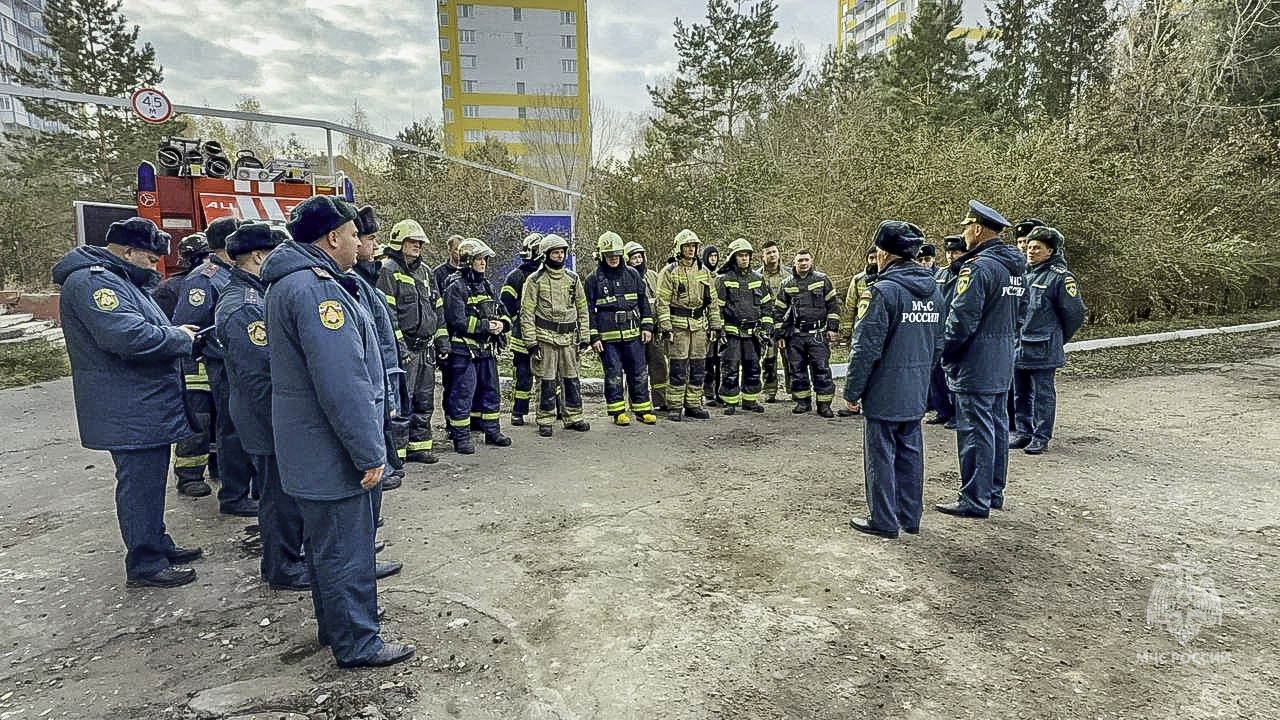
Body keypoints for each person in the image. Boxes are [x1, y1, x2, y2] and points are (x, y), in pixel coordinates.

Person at [261, 195, 414, 668]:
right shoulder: (317, 290)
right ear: (332, 238)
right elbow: (342, 382)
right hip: (331, 450)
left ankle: (338, 628)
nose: (356, 242)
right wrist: (370, 453)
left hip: (312, 446)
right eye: (352, 234)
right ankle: (359, 643)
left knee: (328, 548)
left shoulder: (298, 283)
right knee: (347, 550)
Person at [52, 217, 203, 588]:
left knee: (150, 482)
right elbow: (128, 337)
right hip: (129, 407)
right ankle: (145, 562)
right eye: (151, 260)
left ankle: (156, 541)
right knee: (138, 484)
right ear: (129, 251)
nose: (156, 268)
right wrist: (178, 336)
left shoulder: (120, 279)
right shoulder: (94, 281)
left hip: (143, 403)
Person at [212, 222, 308, 589]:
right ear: (257, 256)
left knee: (281, 489)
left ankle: (288, 557)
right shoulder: (244, 307)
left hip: (266, 413)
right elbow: (260, 376)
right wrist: (285, 420)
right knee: (277, 493)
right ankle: (282, 566)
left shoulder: (256, 294)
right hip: (264, 415)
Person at [844, 221, 943, 539]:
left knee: (881, 455)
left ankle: (884, 519)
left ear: (883, 254)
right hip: (916, 387)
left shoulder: (883, 292)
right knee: (911, 452)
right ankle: (910, 516)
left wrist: (853, 390)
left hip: (885, 389)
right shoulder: (934, 291)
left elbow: (864, 349)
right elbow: (938, 343)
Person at [935, 200, 1026, 519]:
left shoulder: (978, 268)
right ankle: (992, 492)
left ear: (976, 229)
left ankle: (974, 497)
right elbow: (1022, 313)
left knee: (975, 429)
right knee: (997, 426)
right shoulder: (1016, 267)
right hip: (1001, 359)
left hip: (975, 362)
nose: (964, 233)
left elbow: (961, 320)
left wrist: (942, 352)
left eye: (965, 227)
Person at [173, 216, 257, 517]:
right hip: (218, 365)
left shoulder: (231, 276)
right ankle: (234, 494)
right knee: (230, 429)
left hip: (236, 362)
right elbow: (188, 327)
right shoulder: (205, 278)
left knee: (242, 427)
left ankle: (244, 487)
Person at [377, 219, 448, 465]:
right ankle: (398, 452)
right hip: (405, 348)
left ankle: (420, 446)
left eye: (420, 242)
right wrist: (401, 348)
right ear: (399, 242)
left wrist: (443, 342)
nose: (418, 245)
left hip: (426, 348)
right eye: (413, 241)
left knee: (425, 399)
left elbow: (437, 309)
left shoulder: (426, 272)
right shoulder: (388, 270)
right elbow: (388, 314)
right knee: (401, 401)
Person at [1011, 226, 1086, 455]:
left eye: (1037, 248)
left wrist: (1058, 338)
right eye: (1029, 247)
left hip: (1043, 346)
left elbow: (1075, 314)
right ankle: (1023, 431)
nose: (1031, 252)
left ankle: (1041, 437)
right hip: (1019, 344)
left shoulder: (1060, 278)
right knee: (1019, 392)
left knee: (1043, 394)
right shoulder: (1022, 273)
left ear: (1050, 251)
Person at [352, 205, 408, 491]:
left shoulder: (364, 280)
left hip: (381, 372)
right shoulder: (355, 283)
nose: (374, 245)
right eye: (369, 238)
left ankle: (384, 467)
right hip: (369, 379)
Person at [443, 238, 513, 453]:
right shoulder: (455, 286)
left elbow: (503, 312)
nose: (483, 263)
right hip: (463, 351)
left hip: (486, 350)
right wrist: (487, 326)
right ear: (467, 260)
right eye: (479, 259)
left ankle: (492, 431)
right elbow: (457, 320)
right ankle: (461, 437)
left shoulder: (487, 285)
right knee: (463, 393)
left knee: (491, 391)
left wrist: (502, 324)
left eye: (484, 259)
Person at [521, 234, 591, 437]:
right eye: (555, 252)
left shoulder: (573, 279)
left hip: (569, 339)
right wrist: (531, 343)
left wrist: (584, 337)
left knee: (572, 380)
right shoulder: (534, 280)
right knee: (546, 381)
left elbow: (583, 309)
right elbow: (526, 313)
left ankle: (574, 417)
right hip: (545, 338)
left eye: (562, 252)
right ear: (546, 255)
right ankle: (545, 418)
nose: (559, 256)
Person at [163, 232, 215, 497]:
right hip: (191, 363)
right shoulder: (171, 288)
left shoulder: (219, 279)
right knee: (198, 419)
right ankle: (189, 474)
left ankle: (218, 465)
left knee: (220, 419)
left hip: (215, 362)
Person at [586, 231, 656, 426]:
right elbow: (588, 310)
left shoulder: (633, 275)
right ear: (601, 256)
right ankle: (618, 412)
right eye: (609, 256)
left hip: (633, 334)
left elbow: (644, 303)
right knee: (614, 373)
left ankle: (643, 410)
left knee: (639, 372)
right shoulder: (593, 280)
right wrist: (594, 337)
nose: (613, 259)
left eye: (616, 255)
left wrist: (647, 326)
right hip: (608, 339)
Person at [655, 229, 722, 421]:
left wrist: (715, 326)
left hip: (699, 326)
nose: (691, 250)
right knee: (677, 368)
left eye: (694, 246)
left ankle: (693, 404)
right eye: (687, 246)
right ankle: (675, 406)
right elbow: (662, 302)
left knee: (698, 367)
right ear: (679, 248)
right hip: (678, 328)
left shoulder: (704, 272)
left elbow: (713, 302)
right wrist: (666, 327)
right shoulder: (669, 272)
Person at [774, 248, 841, 418]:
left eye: (806, 260)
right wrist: (780, 335)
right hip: (795, 336)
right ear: (794, 263)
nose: (803, 263)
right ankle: (802, 402)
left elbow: (833, 305)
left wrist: (832, 328)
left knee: (821, 368)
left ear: (811, 262)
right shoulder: (787, 284)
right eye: (800, 260)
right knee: (797, 369)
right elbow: (779, 311)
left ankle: (824, 404)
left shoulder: (822, 280)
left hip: (817, 334)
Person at [715, 238, 772, 415]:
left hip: (753, 332)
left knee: (753, 366)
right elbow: (718, 308)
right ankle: (730, 401)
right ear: (733, 258)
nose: (745, 259)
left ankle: (750, 400)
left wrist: (767, 327)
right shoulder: (723, 280)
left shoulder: (758, 278)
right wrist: (721, 329)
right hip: (732, 332)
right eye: (741, 255)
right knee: (730, 367)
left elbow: (766, 305)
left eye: (747, 255)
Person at [501, 233, 544, 426]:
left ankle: (553, 409)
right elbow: (506, 306)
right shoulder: (516, 276)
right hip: (521, 338)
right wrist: (514, 320)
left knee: (550, 376)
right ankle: (519, 411)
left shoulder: (549, 275)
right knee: (523, 377)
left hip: (545, 334)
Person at [925, 235, 967, 427]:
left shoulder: (968, 273)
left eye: (956, 252)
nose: (951, 256)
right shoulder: (940, 274)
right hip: (937, 329)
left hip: (956, 330)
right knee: (936, 375)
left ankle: (958, 414)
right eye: (949, 252)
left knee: (955, 374)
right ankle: (943, 410)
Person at [626, 241, 669, 410]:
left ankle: (661, 401)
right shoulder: (624, 277)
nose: (638, 261)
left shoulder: (653, 276)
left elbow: (660, 301)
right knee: (636, 368)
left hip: (654, 330)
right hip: (634, 331)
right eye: (633, 258)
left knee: (659, 365)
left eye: (639, 257)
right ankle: (636, 402)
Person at [757, 240, 791, 403]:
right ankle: (770, 390)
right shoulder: (757, 276)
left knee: (791, 357)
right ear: (762, 256)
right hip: (767, 324)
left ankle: (794, 389)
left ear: (779, 253)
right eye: (768, 252)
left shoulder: (790, 275)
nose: (772, 255)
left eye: (774, 252)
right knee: (769, 359)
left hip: (786, 323)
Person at [840, 246, 878, 340]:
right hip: (862, 325)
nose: (873, 261)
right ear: (867, 259)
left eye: (876, 258)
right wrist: (847, 333)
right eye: (871, 258)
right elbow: (850, 305)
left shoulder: (889, 277)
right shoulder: (858, 279)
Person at [700, 244, 721, 406]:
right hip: (704, 325)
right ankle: (707, 393)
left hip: (720, 324)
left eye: (715, 256)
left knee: (720, 361)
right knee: (707, 361)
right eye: (710, 256)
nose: (713, 259)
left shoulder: (721, 276)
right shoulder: (701, 274)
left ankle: (719, 392)